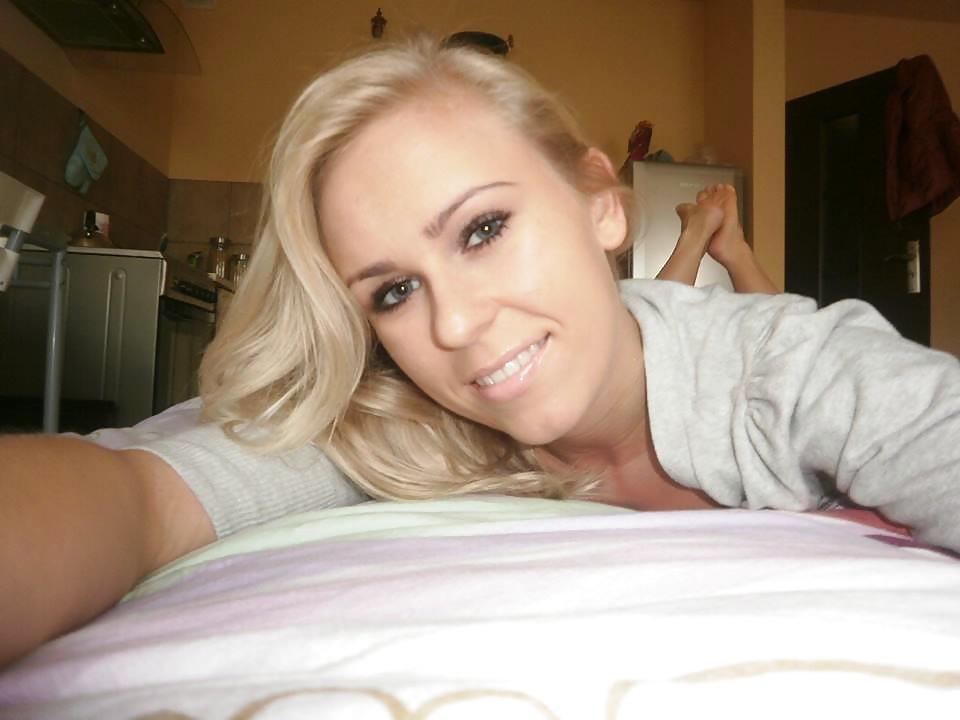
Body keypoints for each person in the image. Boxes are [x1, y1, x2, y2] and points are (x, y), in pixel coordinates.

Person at [1, 36, 957, 669]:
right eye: (394, 291)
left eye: (483, 228)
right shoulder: (406, 425)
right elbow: (143, 499)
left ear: (601, 202)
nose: (454, 326)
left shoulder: (790, 370)